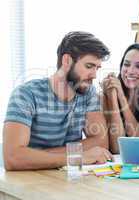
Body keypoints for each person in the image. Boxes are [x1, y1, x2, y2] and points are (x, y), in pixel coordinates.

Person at [3, 31, 112, 170]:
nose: (94, 75)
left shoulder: (88, 93)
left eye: (97, 68)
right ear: (66, 61)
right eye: (89, 66)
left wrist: (37, 155)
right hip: (30, 182)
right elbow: (13, 158)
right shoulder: (26, 94)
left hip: (66, 180)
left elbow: (101, 143)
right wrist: (78, 156)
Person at [101, 43, 139, 154]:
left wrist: (121, 96)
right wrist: (113, 98)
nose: (130, 71)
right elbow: (117, 148)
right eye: (126, 64)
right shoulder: (104, 97)